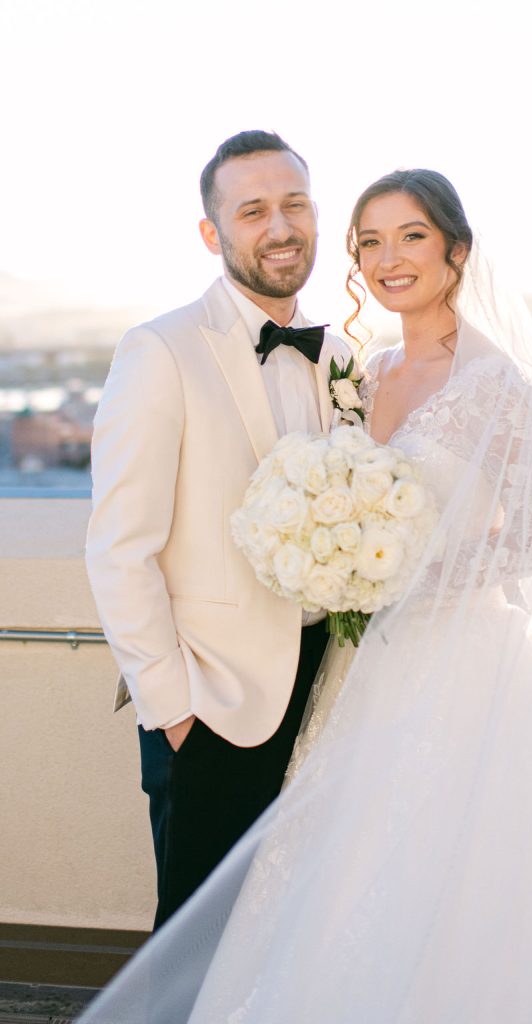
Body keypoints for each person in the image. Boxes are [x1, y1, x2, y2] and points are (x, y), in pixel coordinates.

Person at [79, 170, 532, 1023]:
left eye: (410, 237)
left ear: (455, 250)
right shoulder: (361, 369)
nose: (387, 257)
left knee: (457, 884)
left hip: (469, 667)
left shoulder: (497, 382)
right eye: (370, 240)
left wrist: (408, 577)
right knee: (334, 883)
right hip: (355, 671)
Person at [85, 130, 352, 929]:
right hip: (212, 706)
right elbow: (119, 545)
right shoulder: (160, 350)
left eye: (294, 204)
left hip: (326, 690)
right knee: (197, 942)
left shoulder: (339, 355)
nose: (280, 227)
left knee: (290, 929)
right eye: (253, 210)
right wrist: (172, 710)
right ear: (214, 233)